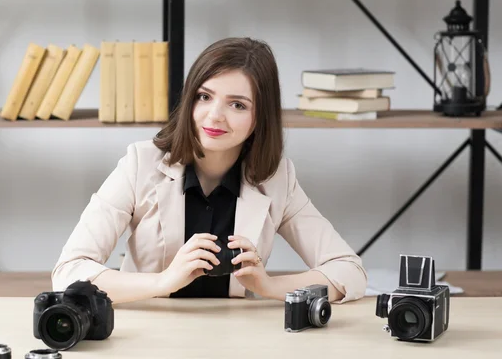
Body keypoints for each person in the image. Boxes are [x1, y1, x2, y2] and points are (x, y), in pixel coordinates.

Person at [51, 37, 367, 305]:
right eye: (204, 96)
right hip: (147, 333)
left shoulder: (277, 178)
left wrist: (269, 287)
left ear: (261, 117)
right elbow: (68, 272)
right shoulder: (139, 164)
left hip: (233, 338)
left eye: (238, 105)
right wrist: (162, 282)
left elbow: (349, 271)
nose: (214, 116)